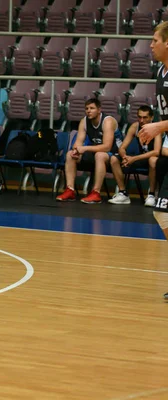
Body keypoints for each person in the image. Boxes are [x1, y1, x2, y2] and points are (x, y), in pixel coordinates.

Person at [138, 21, 168, 300]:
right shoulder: (160, 71)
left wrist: (158, 128)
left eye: (154, 40)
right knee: (162, 212)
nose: (150, 44)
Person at [56, 99, 120, 204]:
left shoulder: (108, 121)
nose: (88, 111)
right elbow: (78, 142)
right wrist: (76, 150)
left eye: (92, 108)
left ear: (99, 110)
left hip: (115, 155)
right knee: (69, 155)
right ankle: (70, 190)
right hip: (95, 153)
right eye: (86, 109)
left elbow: (107, 147)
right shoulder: (84, 121)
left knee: (100, 155)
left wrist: (84, 149)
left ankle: (96, 193)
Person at [108, 105, 161, 206]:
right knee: (114, 159)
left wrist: (133, 158)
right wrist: (125, 157)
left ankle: (151, 195)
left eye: (145, 117)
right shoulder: (135, 127)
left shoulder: (156, 128)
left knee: (153, 160)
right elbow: (122, 148)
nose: (141, 120)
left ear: (151, 118)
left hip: (149, 159)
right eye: (139, 117)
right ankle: (123, 193)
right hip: (138, 158)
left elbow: (156, 151)